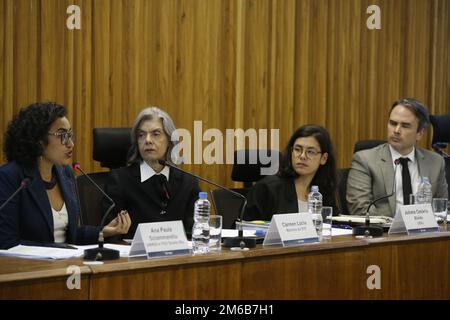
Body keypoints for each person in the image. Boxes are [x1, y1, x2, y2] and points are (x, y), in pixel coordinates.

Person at [0, 102, 131, 250]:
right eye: (62, 135)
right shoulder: (10, 177)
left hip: (66, 264)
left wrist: (103, 231)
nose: (70, 144)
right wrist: (60, 250)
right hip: (29, 269)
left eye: (70, 135)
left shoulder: (65, 173)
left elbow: (70, 235)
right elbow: (7, 242)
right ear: (38, 140)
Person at [104, 107, 200, 239]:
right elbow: (110, 232)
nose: (147, 140)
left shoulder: (188, 183)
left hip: (179, 257)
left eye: (156, 134)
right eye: (141, 135)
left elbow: (194, 233)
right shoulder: (120, 181)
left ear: (170, 141)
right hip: (134, 257)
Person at [346, 98, 448, 217]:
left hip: (424, 232)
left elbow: (441, 208)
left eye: (405, 126)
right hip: (384, 233)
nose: (396, 130)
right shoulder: (365, 160)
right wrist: (401, 223)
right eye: (393, 123)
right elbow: (360, 208)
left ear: (420, 133)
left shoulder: (435, 162)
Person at [244, 124, 339, 221]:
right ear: (291, 152)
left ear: (323, 158)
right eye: (297, 150)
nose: (302, 156)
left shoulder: (324, 190)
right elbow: (246, 229)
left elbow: (333, 225)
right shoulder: (267, 189)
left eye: (310, 152)